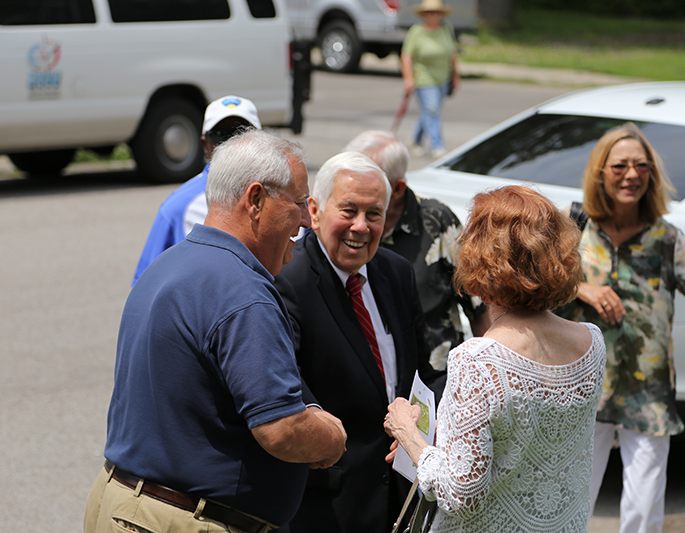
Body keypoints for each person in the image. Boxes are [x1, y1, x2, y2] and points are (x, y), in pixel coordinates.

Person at [85, 130, 347, 533]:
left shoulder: (172, 263)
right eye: (297, 202)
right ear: (256, 200)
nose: (308, 220)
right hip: (180, 520)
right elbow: (280, 430)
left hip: (128, 505)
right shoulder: (243, 291)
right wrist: (330, 437)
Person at [384, 185, 607, 532]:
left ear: (479, 258)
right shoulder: (591, 342)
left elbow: (461, 495)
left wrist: (409, 434)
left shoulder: (477, 360)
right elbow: (523, 437)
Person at [557, 122, 685, 533]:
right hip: (583, 390)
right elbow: (539, 294)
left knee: (643, 516)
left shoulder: (667, 239)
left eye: (642, 166)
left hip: (649, 397)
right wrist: (582, 288)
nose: (632, 174)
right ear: (600, 171)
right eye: (620, 165)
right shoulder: (575, 229)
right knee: (570, 506)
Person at [273, 151, 445, 533]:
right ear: (314, 212)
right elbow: (286, 391)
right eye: (348, 210)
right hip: (324, 505)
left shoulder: (395, 272)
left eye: (374, 214)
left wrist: (422, 430)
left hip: (400, 495)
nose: (361, 226)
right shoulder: (288, 281)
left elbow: (422, 371)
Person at [344, 130, 489, 370]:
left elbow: (479, 306)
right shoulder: (343, 226)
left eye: (366, 183)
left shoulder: (436, 221)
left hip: (433, 377)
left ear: (397, 189)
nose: (359, 224)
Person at [132, 95, 261, 285]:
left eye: (242, 134)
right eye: (222, 136)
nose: (233, 145)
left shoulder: (286, 198)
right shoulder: (177, 208)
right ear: (205, 145)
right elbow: (147, 286)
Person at [400, 0, 459, 159]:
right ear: (424, 14)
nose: (433, 15)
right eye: (429, 12)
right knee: (431, 109)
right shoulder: (417, 31)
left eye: (436, 12)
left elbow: (452, 53)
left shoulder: (446, 28)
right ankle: (437, 145)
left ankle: (415, 139)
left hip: (443, 77)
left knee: (430, 111)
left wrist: (455, 75)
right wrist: (408, 78)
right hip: (424, 78)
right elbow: (406, 55)